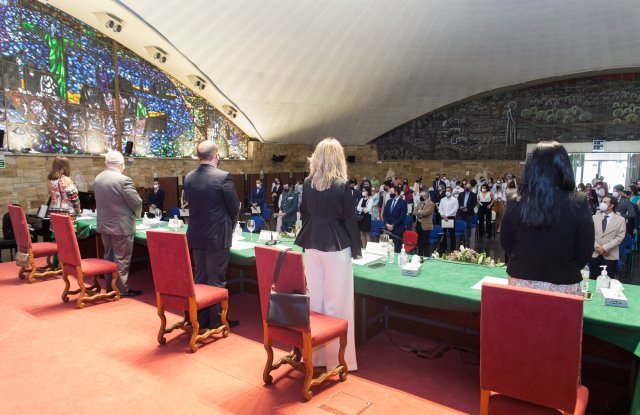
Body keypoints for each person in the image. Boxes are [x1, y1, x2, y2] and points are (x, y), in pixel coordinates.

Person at [294, 137, 361, 371]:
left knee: (316, 302)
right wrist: (357, 250)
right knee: (338, 304)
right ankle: (338, 361)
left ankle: (317, 357)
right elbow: (350, 220)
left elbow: (305, 214)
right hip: (336, 246)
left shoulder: (307, 183)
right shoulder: (342, 186)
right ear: (338, 157)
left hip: (311, 244)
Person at [500, 141, 594, 294]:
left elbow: (506, 242)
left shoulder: (514, 198)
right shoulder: (578, 200)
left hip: (521, 276)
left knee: (521, 318)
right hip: (563, 278)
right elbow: (585, 248)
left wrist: (526, 259)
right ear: (564, 167)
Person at [184, 141, 240, 329]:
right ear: (216, 156)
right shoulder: (223, 177)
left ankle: (202, 319)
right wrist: (230, 226)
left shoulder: (189, 178)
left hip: (196, 235)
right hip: (217, 235)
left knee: (200, 278)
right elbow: (234, 208)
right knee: (216, 279)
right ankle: (217, 321)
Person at [93, 151, 143, 297]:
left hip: (104, 224)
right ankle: (121, 289)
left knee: (108, 256)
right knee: (122, 258)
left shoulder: (98, 178)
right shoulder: (123, 180)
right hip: (121, 226)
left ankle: (110, 286)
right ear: (121, 164)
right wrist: (137, 214)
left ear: (106, 163)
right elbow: (136, 202)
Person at [589, 195, 626, 280]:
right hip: (594, 253)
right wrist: (597, 247)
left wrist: (604, 248)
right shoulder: (594, 217)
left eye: (605, 202)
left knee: (607, 280)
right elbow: (589, 234)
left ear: (611, 206)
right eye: (602, 201)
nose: (602, 203)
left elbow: (619, 237)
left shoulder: (620, 220)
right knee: (593, 278)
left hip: (610, 255)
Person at [383, 185, 408, 253]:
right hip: (387, 229)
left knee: (396, 249)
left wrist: (393, 225)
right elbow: (384, 214)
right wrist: (386, 224)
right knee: (388, 249)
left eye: (391, 192)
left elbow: (402, 216)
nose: (390, 193)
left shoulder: (403, 203)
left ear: (396, 192)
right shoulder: (389, 202)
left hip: (397, 230)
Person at [414, 190, 435, 257]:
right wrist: (420, 212)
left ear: (427, 196)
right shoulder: (420, 203)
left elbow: (426, 213)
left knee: (425, 243)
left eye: (423, 196)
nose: (421, 197)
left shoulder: (431, 204)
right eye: (420, 196)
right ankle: (420, 256)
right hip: (418, 224)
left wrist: (419, 212)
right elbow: (414, 211)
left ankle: (426, 256)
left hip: (426, 226)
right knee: (419, 242)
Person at [438, 186, 458, 252]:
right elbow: (440, 208)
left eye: (449, 190)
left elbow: (455, 209)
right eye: (446, 190)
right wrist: (443, 215)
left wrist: (446, 215)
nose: (447, 192)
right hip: (443, 217)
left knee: (452, 233)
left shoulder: (455, 200)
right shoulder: (442, 199)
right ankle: (443, 247)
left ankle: (453, 248)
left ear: (451, 192)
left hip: (451, 218)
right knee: (443, 233)